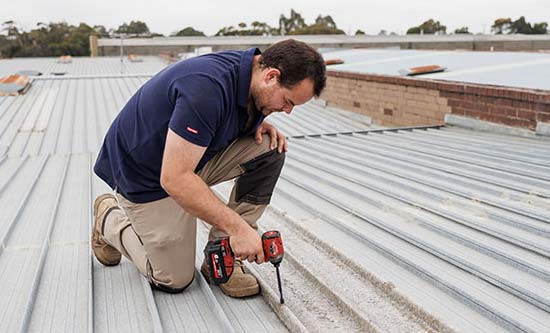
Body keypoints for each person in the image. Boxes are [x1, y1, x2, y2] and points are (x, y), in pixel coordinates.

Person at [91, 39, 326, 297]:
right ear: (271, 76)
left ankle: (223, 254)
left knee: (270, 148)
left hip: (189, 160)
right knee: (174, 279)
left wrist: (253, 124)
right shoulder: (207, 88)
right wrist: (239, 228)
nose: (287, 111)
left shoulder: (255, 83)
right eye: (288, 101)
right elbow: (175, 178)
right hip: (146, 176)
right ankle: (109, 218)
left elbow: (224, 120)